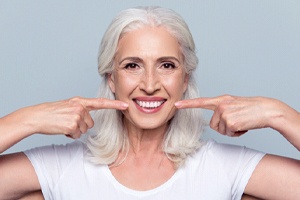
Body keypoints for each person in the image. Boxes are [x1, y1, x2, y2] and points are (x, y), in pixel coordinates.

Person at [0, 6, 299, 200]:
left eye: (167, 65)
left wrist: (278, 114)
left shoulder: (222, 167)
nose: (150, 84)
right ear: (111, 79)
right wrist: (29, 119)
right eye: (132, 65)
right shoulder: (62, 167)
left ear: (185, 79)